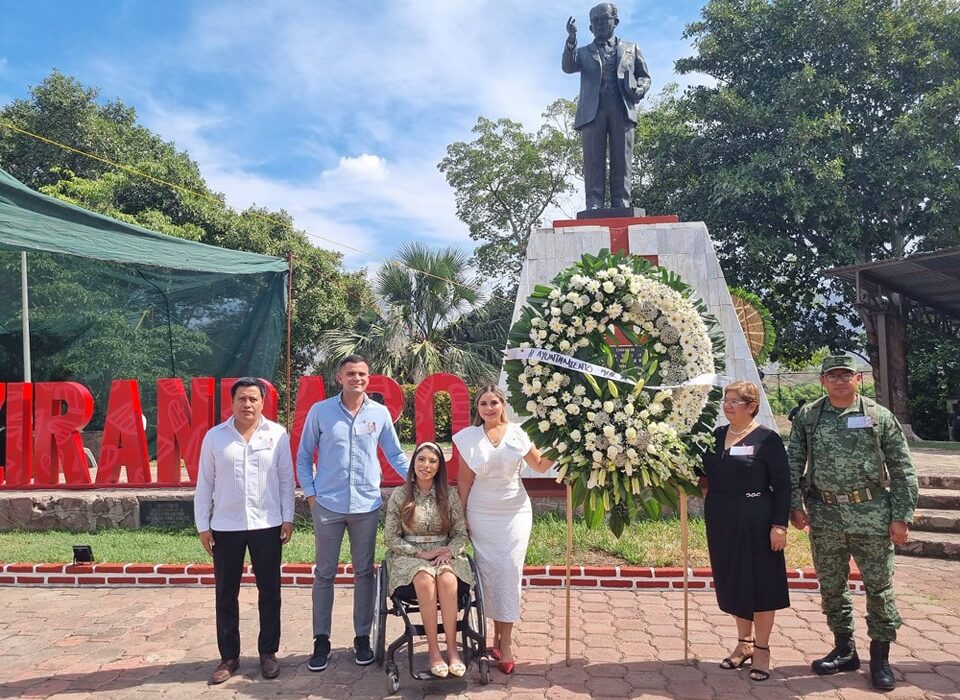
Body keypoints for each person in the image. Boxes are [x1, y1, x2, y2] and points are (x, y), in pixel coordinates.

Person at [787, 355, 918, 691]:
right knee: (832, 587)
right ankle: (845, 649)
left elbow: (903, 470)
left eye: (846, 375)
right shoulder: (809, 417)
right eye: (833, 376)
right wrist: (794, 505)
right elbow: (793, 464)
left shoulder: (877, 416)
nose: (840, 381)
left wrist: (901, 516)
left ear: (858, 379)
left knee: (879, 588)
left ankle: (880, 657)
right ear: (823, 381)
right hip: (825, 515)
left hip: (872, 515)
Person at [296, 354, 408, 672]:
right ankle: (321, 640)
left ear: (368, 379)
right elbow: (303, 456)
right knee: (325, 574)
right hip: (328, 506)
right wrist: (312, 494)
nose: (356, 378)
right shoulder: (321, 412)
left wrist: (423, 480)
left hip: (366, 506)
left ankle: (362, 637)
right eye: (350, 374)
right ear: (339, 378)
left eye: (361, 374)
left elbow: (396, 455)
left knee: (364, 574)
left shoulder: (380, 413)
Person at [194, 377, 295, 684]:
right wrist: (203, 526)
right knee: (226, 593)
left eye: (253, 399)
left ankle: (268, 653)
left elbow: (286, 481)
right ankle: (229, 657)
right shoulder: (215, 437)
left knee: (270, 591)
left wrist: (287, 518)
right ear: (232, 401)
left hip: (267, 525)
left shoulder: (277, 435)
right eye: (242, 398)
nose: (247, 404)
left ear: (263, 402)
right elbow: (205, 484)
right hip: (226, 527)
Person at [453, 384, 552, 674]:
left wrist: (566, 444)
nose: (489, 408)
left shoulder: (519, 434)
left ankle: (505, 642)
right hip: (481, 512)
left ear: (503, 404)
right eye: (483, 403)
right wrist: (463, 518)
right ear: (478, 408)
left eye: (494, 402)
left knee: (509, 570)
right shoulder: (468, 438)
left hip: (515, 512)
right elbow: (463, 482)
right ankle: (488, 637)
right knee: (487, 574)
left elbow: (542, 465)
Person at [701, 381, 790, 682]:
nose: (728, 405)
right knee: (735, 580)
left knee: (762, 583)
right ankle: (744, 644)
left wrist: (779, 525)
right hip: (723, 519)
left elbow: (783, 485)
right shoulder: (715, 437)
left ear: (752, 406)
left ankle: (762, 649)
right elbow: (698, 472)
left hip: (758, 517)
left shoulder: (768, 440)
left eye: (735, 401)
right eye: (726, 400)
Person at [384, 442, 474, 678]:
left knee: (446, 578)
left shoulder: (449, 495)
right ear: (414, 462)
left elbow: (461, 533)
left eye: (432, 461)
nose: (426, 465)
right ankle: (434, 651)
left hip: (443, 551)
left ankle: (452, 650)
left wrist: (449, 552)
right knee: (424, 578)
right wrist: (419, 553)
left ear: (438, 467)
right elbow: (390, 537)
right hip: (409, 554)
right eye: (421, 459)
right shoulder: (400, 495)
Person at [563, 3, 651, 211]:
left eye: (604, 19)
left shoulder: (631, 49)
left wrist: (640, 88)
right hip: (592, 111)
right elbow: (567, 66)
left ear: (615, 22)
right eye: (595, 22)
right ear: (591, 27)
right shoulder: (583, 52)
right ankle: (594, 202)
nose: (600, 24)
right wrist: (571, 40)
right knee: (593, 159)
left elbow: (644, 77)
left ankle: (622, 201)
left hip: (622, 108)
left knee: (623, 157)